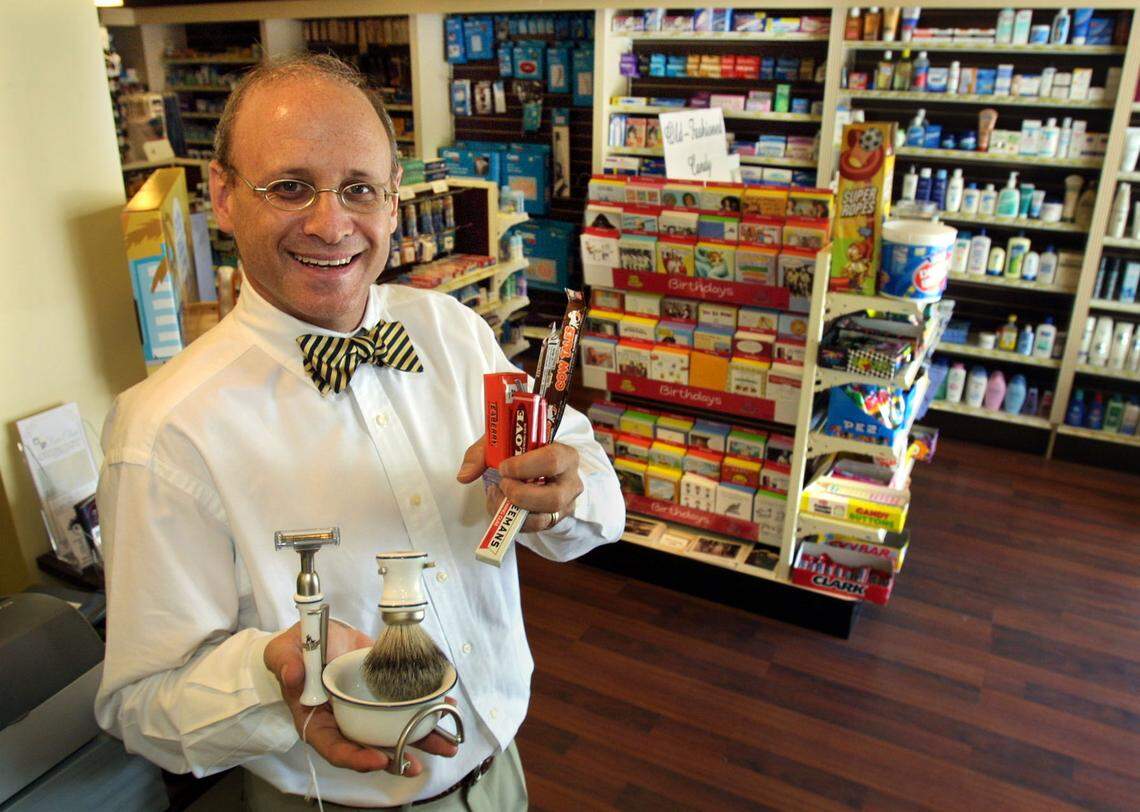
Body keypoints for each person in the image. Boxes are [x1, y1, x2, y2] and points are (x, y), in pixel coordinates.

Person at [95, 54, 623, 810]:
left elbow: (587, 482)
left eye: (359, 189)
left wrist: (565, 490)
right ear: (222, 196)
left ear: (395, 201)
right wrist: (271, 671)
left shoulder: (450, 329)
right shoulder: (164, 431)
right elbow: (141, 705)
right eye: (289, 187)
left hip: (502, 775)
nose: (330, 223)